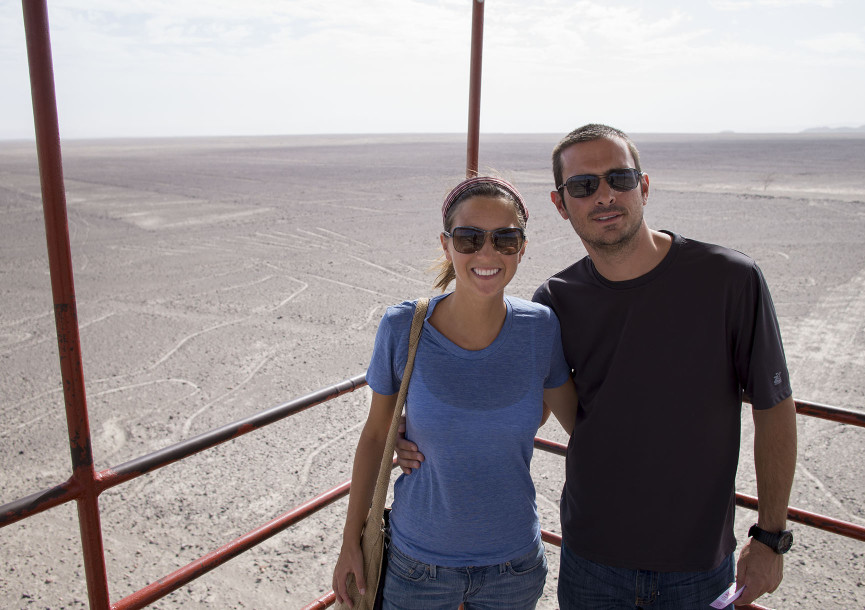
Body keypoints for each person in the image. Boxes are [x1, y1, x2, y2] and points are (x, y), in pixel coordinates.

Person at [399, 125, 798, 609]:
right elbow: (521, 409)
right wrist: (418, 429)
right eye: (584, 186)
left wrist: (771, 537)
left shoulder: (730, 280)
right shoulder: (556, 303)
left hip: (697, 565)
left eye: (620, 178)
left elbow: (774, 408)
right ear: (561, 203)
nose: (605, 195)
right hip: (591, 564)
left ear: (644, 186)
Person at [332, 175, 577, 610]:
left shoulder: (540, 328)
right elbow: (374, 437)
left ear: (522, 247)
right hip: (417, 568)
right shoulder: (403, 327)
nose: (487, 253)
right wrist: (351, 541)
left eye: (505, 238)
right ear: (446, 245)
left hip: (513, 568)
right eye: (469, 238)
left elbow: (576, 423)